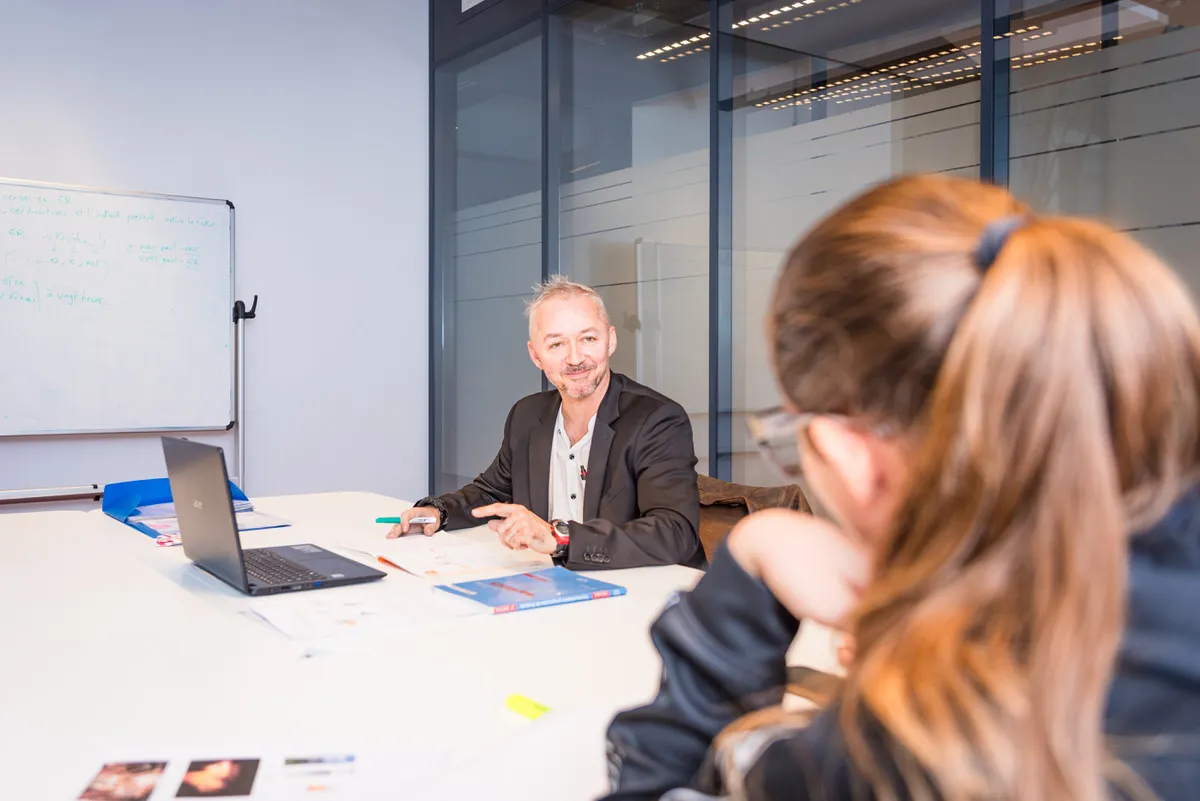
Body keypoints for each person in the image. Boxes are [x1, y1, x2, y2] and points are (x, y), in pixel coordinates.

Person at [601, 174, 1200, 800]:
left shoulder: (923, 742)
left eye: (788, 438)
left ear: (848, 455)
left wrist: (752, 564)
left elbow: (659, 783)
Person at [392, 276, 704, 570]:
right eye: (556, 344)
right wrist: (437, 511)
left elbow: (674, 533)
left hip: (643, 593)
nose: (575, 358)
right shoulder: (527, 415)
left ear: (610, 340)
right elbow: (491, 493)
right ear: (536, 355)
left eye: (588, 338)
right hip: (553, 584)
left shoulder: (656, 419)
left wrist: (559, 538)